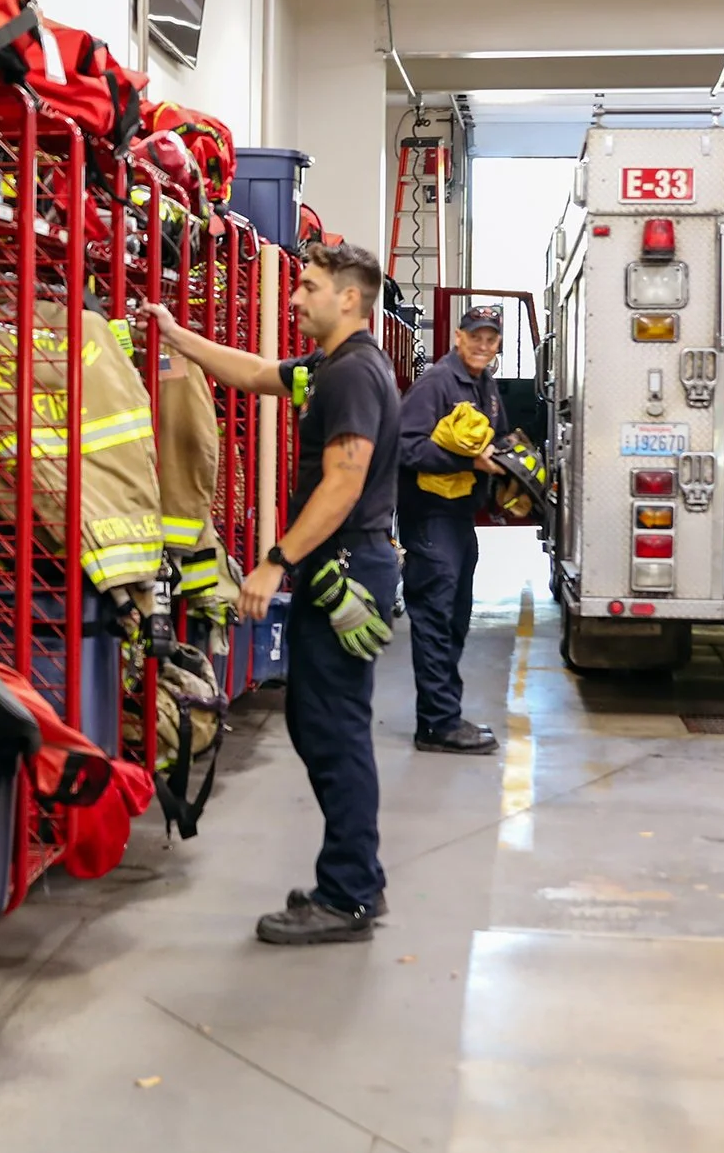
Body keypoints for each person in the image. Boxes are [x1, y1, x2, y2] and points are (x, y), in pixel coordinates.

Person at [149, 241, 402, 945]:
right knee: (319, 723)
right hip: (339, 565)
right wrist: (177, 337)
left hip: (344, 568)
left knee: (334, 729)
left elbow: (343, 483)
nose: (294, 297)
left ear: (348, 298)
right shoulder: (329, 367)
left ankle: (349, 894)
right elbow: (258, 373)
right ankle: (357, 878)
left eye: (309, 287)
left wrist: (274, 561)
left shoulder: (353, 375)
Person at [395, 303, 508, 755]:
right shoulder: (437, 383)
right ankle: (436, 725)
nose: (482, 344)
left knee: (456, 619)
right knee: (435, 619)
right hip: (430, 517)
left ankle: (445, 714)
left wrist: (514, 465)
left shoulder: (485, 384)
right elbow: (405, 447)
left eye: (490, 338)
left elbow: (495, 438)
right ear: (458, 337)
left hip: (460, 517)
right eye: (475, 336)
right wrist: (467, 462)